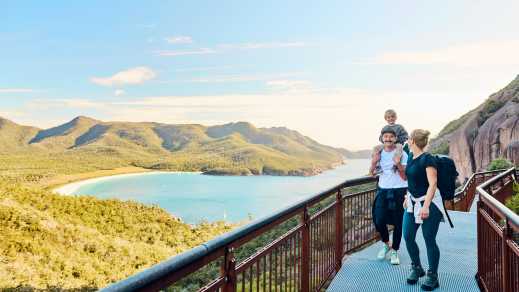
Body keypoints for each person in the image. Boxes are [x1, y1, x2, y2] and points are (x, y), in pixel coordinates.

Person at [403, 129, 447, 291]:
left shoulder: (427, 159)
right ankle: (417, 267)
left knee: (429, 240)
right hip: (412, 202)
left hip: (429, 204)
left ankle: (433, 276)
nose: (407, 140)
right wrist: (407, 197)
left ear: (413, 141)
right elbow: (412, 180)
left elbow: (432, 184)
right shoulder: (410, 156)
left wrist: (426, 206)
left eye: (409, 138)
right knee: (407, 236)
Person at [372, 126, 408, 265]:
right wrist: (374, 163)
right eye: (385, 136)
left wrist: (398, 164)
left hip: (399, 190)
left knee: (398, 223)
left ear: (395, 139)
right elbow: (373, 172)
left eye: (391, 136)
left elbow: (405, 177)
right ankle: (387, 243)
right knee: (379, 219)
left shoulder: (402, 154)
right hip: (383, 190)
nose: (388, 139)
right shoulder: (378, 153)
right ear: (382, 138)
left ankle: (395, 251)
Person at [369, 109, 409, 176]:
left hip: (397, 144)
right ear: (385, 118)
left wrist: (396, 140)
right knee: (375, 148)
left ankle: (395, 166)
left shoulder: (399, 127)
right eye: (388, 117)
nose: (391, 118)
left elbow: (406, 136)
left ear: (395, 117)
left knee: (399, 150)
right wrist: (386, 141)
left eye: (392, 117)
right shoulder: (385, 128)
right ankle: (378, 167)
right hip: (386, 144)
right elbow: (381, 137)